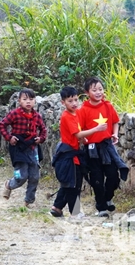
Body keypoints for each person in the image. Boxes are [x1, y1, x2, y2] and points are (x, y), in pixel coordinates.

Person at [76, 76, 128, 217]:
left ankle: (108, 197)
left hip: (107, 146)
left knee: (113, 175)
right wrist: (83, 139)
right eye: (94, 90)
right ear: (87, 93)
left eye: (100, 89)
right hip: (91, 149)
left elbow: (115, 121)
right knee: (96, 179)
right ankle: (101, 208)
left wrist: (115, 134)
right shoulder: (83, 110)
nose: (98, 92)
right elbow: (79, 131)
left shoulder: (108, 106)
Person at [0, 88, 47, 207]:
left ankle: (28, 201)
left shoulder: (37, 116)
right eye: (25, 99)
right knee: (21, 176)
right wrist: (9, 137)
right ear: (19, 101)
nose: (28, 102)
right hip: (18, 147)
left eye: (31, 99)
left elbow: (43, 130)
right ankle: (9, 184)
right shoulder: (14, 114)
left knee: (35, 176)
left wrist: (40, 138)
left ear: (35, 101)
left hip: (33, 148)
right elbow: (2, 125)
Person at [50, 86, 85, 217]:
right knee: (73, 184)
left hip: (73, 154)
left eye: (76, 100)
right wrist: (96, 130)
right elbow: (77, 134)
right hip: (69, 155)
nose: (74, 103)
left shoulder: (75, 114)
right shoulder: (67, 116)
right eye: (70, 101)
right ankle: (75, 212)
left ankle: (57, 207)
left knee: (69, 182)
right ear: (63, 102)